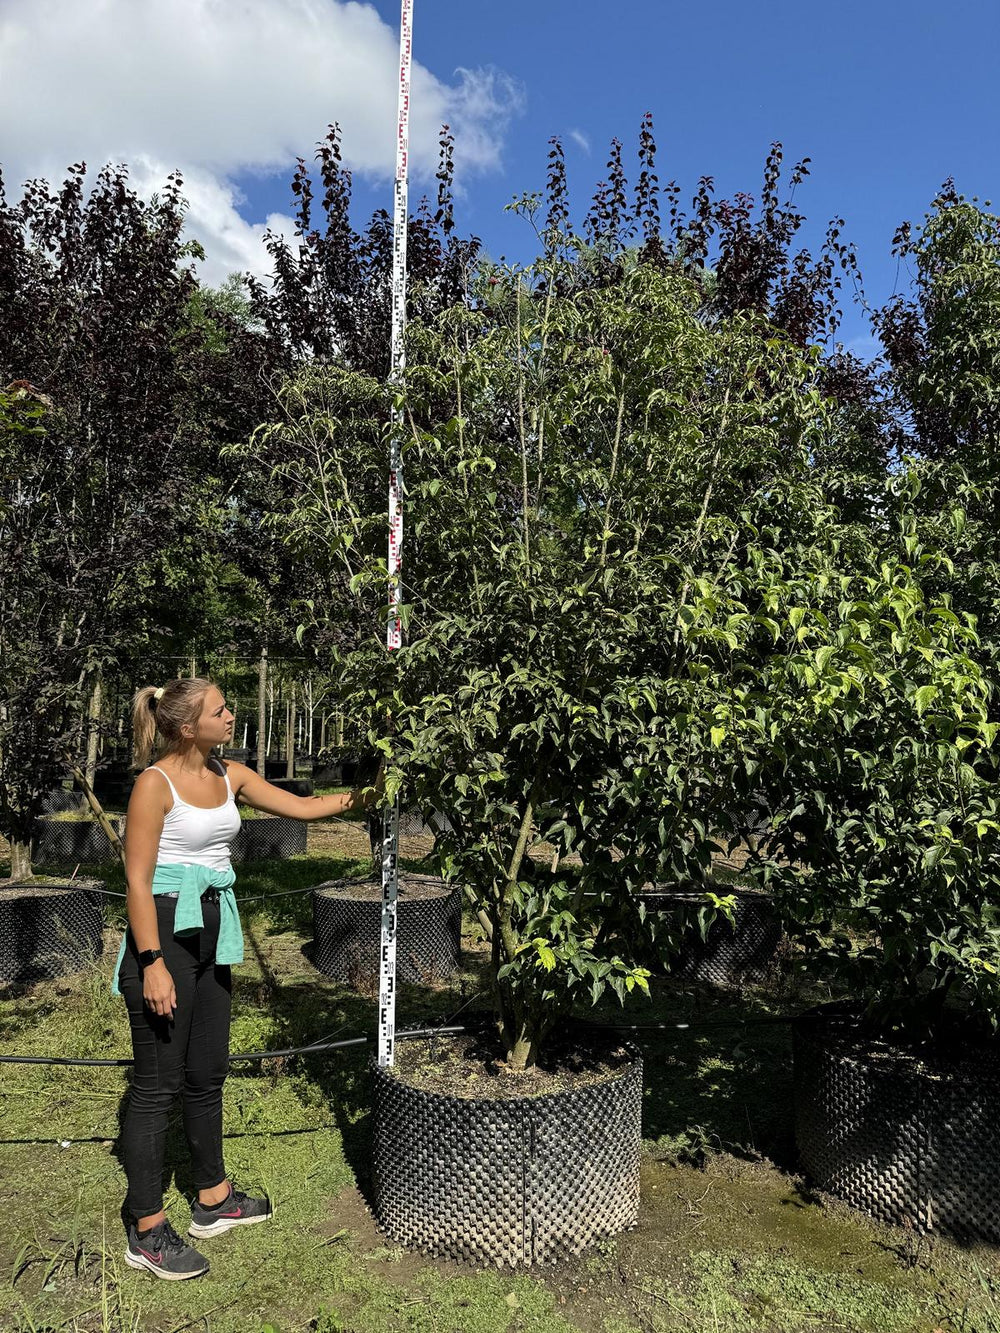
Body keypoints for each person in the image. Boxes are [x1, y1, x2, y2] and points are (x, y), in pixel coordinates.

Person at [116, 676, 380, 1280]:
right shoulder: (152, 786)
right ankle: (147, 1226)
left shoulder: (229, 774)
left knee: (207, 1070)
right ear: (187, 727)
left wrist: (376, 792)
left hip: (212, 927)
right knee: (158, 1085)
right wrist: (152, 964)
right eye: (221, 709)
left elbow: (308, 806)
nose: (232, 716)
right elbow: (135, 881)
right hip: (163, 930)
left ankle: (214, 1197)